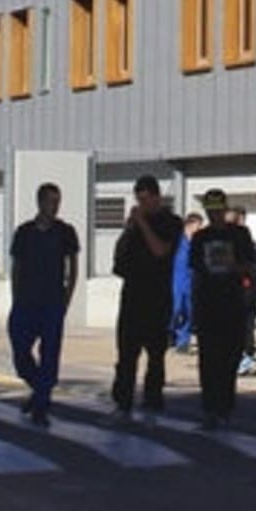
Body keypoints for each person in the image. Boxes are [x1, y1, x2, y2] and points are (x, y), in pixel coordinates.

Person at [110, 175, 184, 421]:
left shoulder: (171, 222)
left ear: (156, 197)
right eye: (138, 200)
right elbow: (119, 263)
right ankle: (123, 400)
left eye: (145, 199)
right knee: (126, 355)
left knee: (155, 354)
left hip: (157, 297)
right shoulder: (134, 229)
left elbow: (161, 251)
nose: (142, 205)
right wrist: (130, 229)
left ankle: (153, 399)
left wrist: (142, 223)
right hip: (132, 296)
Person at [8, 182, 80, 427]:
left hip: (52, 303)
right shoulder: (24, 232)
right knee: (20, 354)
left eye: (58, 201)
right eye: (51, 201)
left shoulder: (65, 231)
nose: (55, 206)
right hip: (26, 302)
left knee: (49, 356)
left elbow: (73, 268)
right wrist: (16, 297)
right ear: (40, 202)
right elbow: (16, 267)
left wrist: (66, 299)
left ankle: (41, 404)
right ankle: (39, 388)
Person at [189, 188, 256, 429]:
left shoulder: (240, 234)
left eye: (219, 210)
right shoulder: (200, 238)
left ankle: (225, 407)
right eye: (211, 211)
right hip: (208, 305)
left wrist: (235, 266)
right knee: (208, 359)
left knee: (229, 358)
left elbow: (251, 266)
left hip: (232, 304)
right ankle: (209, 409)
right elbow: (195, 270)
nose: (215, 215)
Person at [230, 206, 256, 375]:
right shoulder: (226, 248)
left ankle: (247, 359)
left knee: (248, 328)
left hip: (249, 294)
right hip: (231, 296)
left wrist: (250, 269)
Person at [170, 212, 204, 350]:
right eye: (198, 225)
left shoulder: (198, 242)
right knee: (176, 309)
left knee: (189, 312)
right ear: (190, 224)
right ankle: (170, 333)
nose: (200, 228)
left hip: (192, 282)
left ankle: (183, 341)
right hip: (176, 280)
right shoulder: (177, 241)